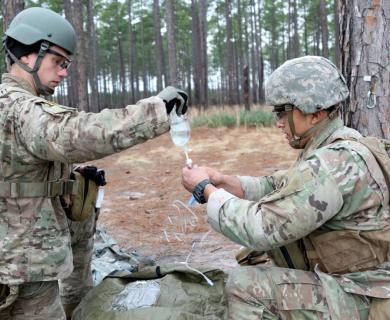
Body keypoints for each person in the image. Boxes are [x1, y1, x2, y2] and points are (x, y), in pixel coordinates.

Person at [0, 6, 188, 320]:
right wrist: (158, 109)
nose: (63, 72)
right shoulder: (20, 109)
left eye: (67, 64)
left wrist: (66, 176)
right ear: (29, 55)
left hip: (21, 259)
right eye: (58, 62)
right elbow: (78, 133)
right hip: (22, 268)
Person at [182, 56, 390, 319]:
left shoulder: (332, 163)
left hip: (363, 296)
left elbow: (262, 229)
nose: (278, 122)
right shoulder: (338, 145)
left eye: (284, 112)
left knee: (246, 287)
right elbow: (280, 184)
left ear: (315, 113)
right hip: (359, 284)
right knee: (256, 258)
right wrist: (223, 181)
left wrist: (206, 190)